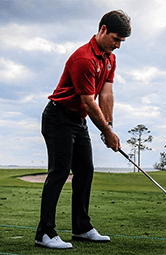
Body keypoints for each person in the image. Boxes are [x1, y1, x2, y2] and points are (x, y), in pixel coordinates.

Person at [35, 10, 131, 249]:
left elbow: (106, 92)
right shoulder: (84, 58)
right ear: (103, 30)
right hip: (58, 117)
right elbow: (89, 101)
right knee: (59, 172)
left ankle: (82, 228)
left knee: (85, 170)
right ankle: (44, 233)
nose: (118, 45)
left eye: (122, 42)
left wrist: (108, 126)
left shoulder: (109, 57)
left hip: (78, 121)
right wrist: (108, 135)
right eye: (116, 39)